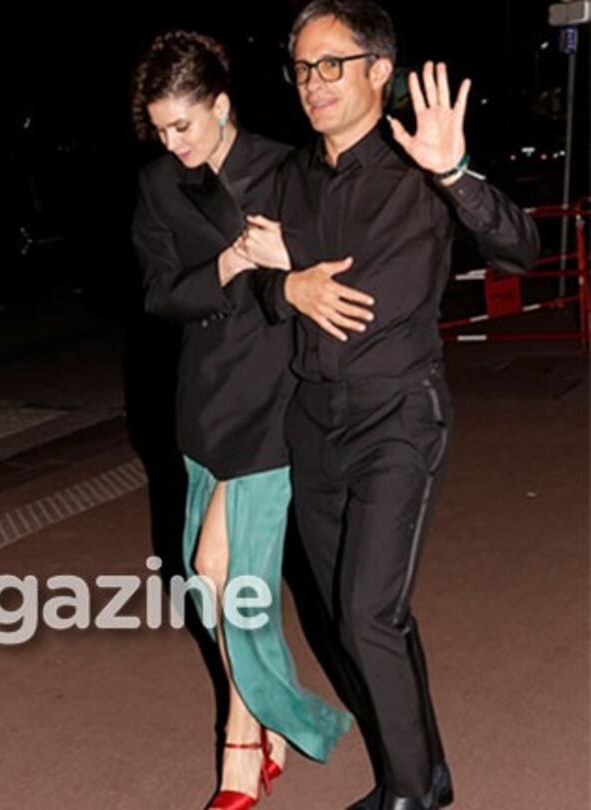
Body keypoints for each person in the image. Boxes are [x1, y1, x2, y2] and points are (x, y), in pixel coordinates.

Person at [253, 2, 540, 808]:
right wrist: (286, 284)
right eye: (302, 68)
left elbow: (521, 246)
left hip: (398, 417)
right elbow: (261, 286)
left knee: (367, 614)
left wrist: (456, 174)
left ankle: (410, 795)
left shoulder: (419, 161)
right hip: (314, 422)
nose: (314, 84)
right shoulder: (293, 176)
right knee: (359, 620)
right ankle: (429, 770)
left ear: (381, 69)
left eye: (331, 64)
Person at [130, 30, 353, 810]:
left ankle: (244, 739)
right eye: (160, 128)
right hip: (206, 401)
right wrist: (227, 264)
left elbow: (337, 265)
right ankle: (279, 721)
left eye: (183, 124)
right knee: (209, 583)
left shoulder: (289, 168)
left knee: (227, 577)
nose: (172, 141)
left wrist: (289, 255)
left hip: (278, 394)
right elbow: (160, 293)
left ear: (221, 107)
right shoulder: (161, 184)